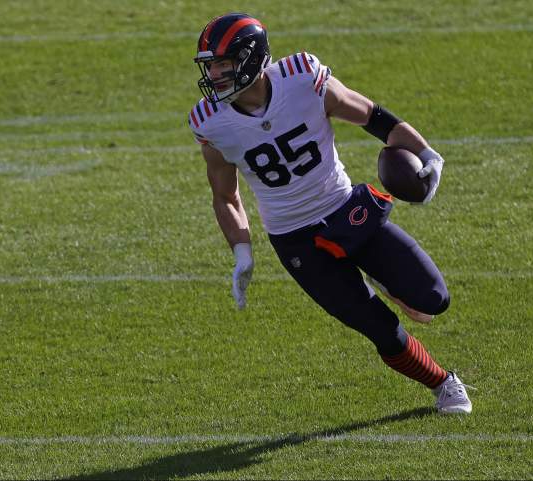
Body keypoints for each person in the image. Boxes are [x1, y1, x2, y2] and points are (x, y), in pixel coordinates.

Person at [187, 13, 472, 414]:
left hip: (346, 209)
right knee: (380, 329)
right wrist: (242, 252)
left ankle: (379, 274)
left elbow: (372, 116)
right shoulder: (210, 122)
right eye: (210, 66)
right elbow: (226, 196)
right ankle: (444, 383)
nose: (214, 75)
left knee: (433, 301)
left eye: (222, 64)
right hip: (295, 239)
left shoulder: (302, 78)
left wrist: (426, 153)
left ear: (252, 59)